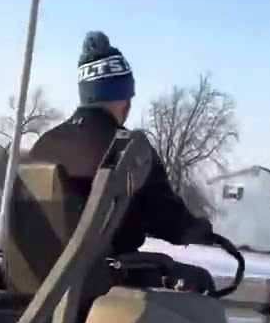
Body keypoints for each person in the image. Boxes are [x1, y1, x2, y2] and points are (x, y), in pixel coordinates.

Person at [26, 31, 215, 258]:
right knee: (199, 282)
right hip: (100, 283)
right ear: (123, 97)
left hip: (37, 278)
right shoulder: (130, 150)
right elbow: (168, 221)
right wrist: (199, 229)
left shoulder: (43, 145)